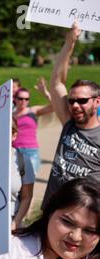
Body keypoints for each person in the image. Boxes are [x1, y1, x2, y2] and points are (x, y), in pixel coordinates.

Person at [43, 22, 100, 208]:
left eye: (82, 101)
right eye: (72, 100)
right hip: (52, 211)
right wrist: (69, 43)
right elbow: (57, 82)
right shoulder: (69, 122)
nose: (75, 105)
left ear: (97, 102)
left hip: (83, 221)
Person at [12, 77, 54, 175]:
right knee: (16, 185)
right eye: (20, 98)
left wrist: (45, 93)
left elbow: (54, 107)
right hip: (14, 152)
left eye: (26, 99)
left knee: (29, 183)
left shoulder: (33, 111)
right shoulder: (11, 114)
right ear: (15, 99)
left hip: (30, 151)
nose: (23, 101)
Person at [11, 118, 35, 230]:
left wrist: (15, 224)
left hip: (11, 222)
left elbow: (27, 196)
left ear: (14, 135)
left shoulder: (23, 161)